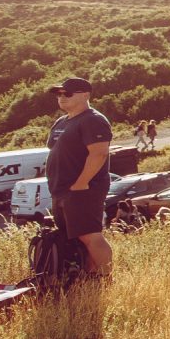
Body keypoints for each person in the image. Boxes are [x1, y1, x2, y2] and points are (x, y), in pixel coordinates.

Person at [45, 77, 114, 277]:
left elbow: (99, 153)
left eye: (67, 94)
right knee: (75, 237)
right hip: (61, 189)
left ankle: (104, 279)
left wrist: (81, 183)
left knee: (90, 235)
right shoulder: (61, 121)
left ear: (85, 95)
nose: (62, 98)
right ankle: (87, 278)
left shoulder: (93, 119)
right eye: (59, 94)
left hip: (83, 190)